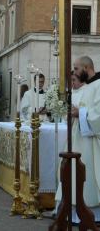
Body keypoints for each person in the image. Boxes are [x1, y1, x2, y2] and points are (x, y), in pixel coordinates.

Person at [55, 56, 100, 223]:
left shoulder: (99, 85)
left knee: (88, 177)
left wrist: (78, 113)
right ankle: (73, 211)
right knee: (74, 174)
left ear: (87, 67)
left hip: (91, 143)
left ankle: (91, 212)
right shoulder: (88, 86)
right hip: (78, 137)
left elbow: (98, 116)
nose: (73, 71)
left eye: (76, 68)